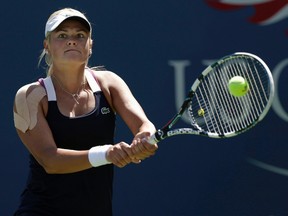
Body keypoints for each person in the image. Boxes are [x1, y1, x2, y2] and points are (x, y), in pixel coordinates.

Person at [13, 8, 158, 216]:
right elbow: (49, 160)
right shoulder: (29, 96)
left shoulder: (110, 83)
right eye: (62, 35)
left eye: (80, 35)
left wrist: (145, 138)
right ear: (47, 45)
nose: (72, 41)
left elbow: (144, 125)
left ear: (90, 46)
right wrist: (107, 153)